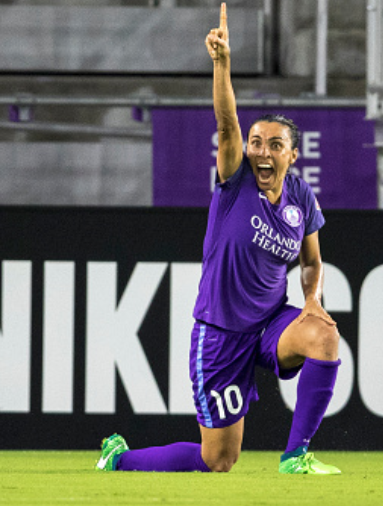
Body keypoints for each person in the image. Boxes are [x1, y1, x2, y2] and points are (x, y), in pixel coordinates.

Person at [95, 3, 341, 475]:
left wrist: (312, 299)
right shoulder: (236, 180)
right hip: (221, 331)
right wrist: (222, 63)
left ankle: (295, 457)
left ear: (294, 153)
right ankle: (119, 459)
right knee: (218, 460)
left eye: (273, 144)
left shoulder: (300, 195)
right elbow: (226, 121)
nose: (261, 150)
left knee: (325, 337)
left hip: (271, 323)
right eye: (256, 142)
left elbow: (311, 260)